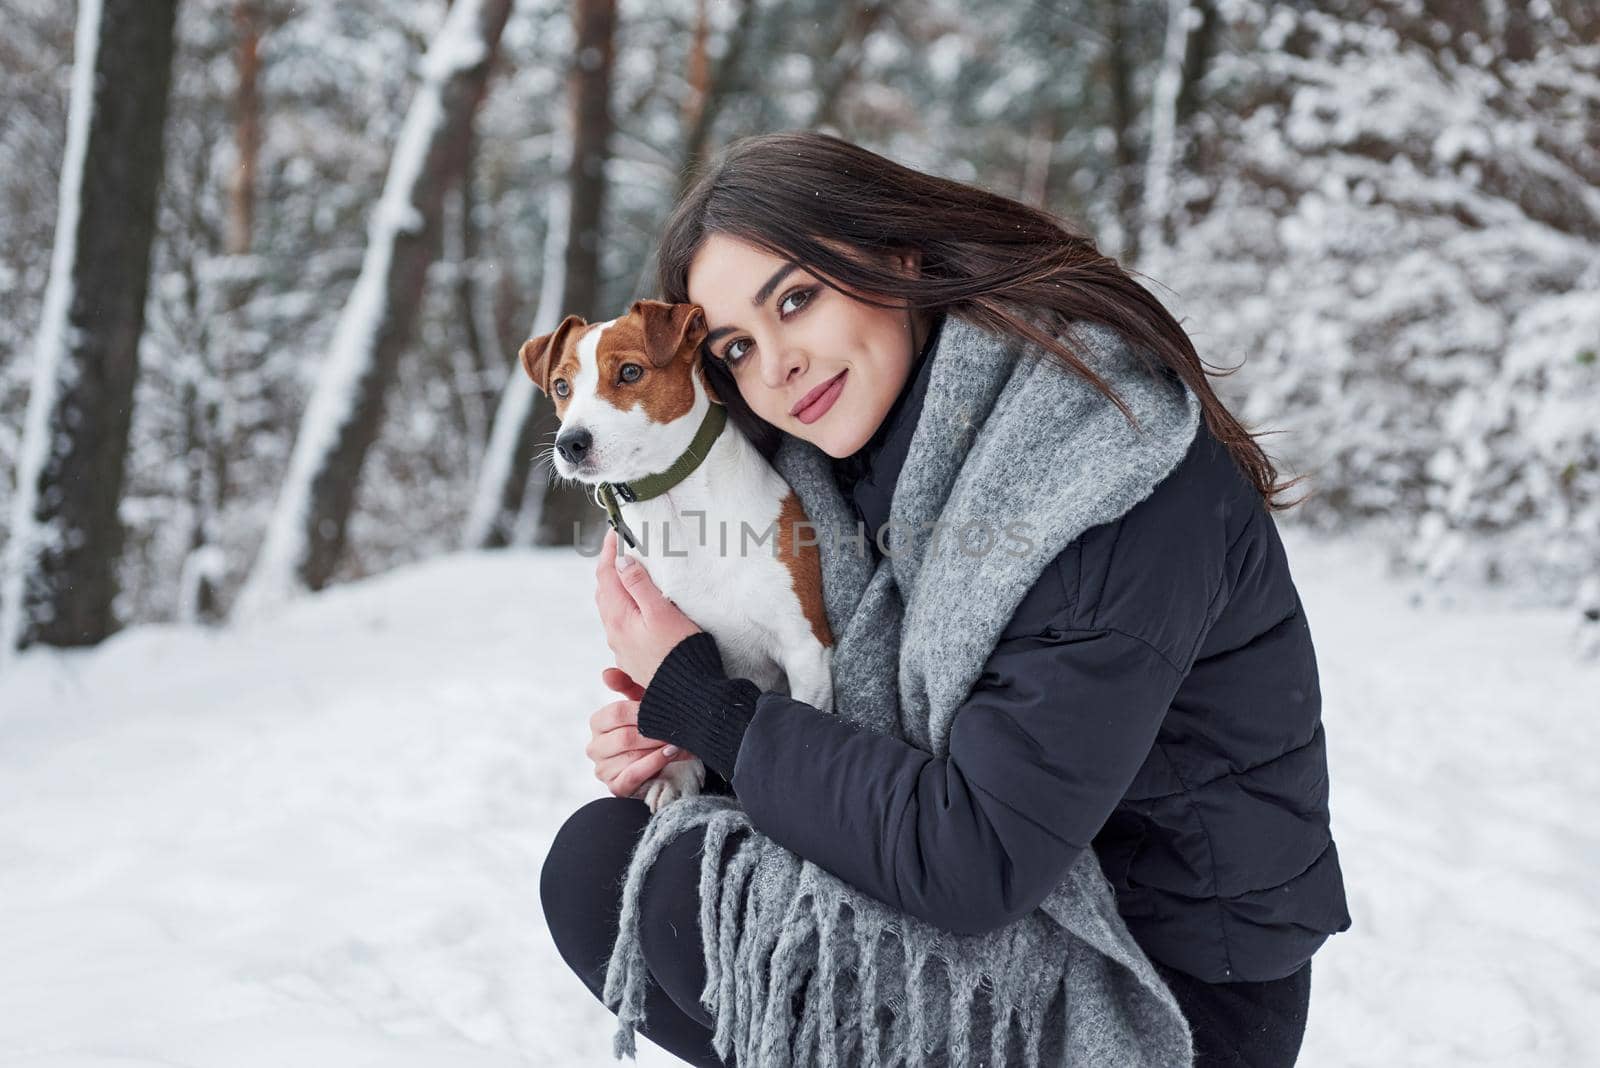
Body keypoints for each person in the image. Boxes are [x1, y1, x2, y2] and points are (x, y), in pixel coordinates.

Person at [540, 129, 1351, 1067]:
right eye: (736, 345)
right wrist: (691, 741)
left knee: (662, 883)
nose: (777, 366)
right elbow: (860, 748)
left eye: (796, 300)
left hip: (1159, 986)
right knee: (613, 865)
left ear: (897, 253)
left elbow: (975, 857)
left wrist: (718, 713)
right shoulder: (839, 468)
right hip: (1002, 906)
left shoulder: (1094, 461)